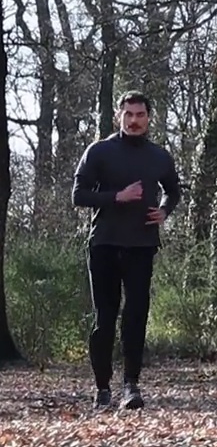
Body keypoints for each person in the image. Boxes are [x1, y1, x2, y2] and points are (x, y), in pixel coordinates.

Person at [72, 91, 183, 410]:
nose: (134, 121)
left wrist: (164, 210)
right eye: (128, 115)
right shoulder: (99, 151)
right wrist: (116, 197)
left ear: (149, 118)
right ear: (118, 117)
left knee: (135, 317)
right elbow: (78, 195)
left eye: (140, 115)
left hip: (142, 245)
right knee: (105, 318)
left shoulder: (160, 156)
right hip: (104, 243)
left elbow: (173, 191)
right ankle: (102, 388)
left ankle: (131, 387)